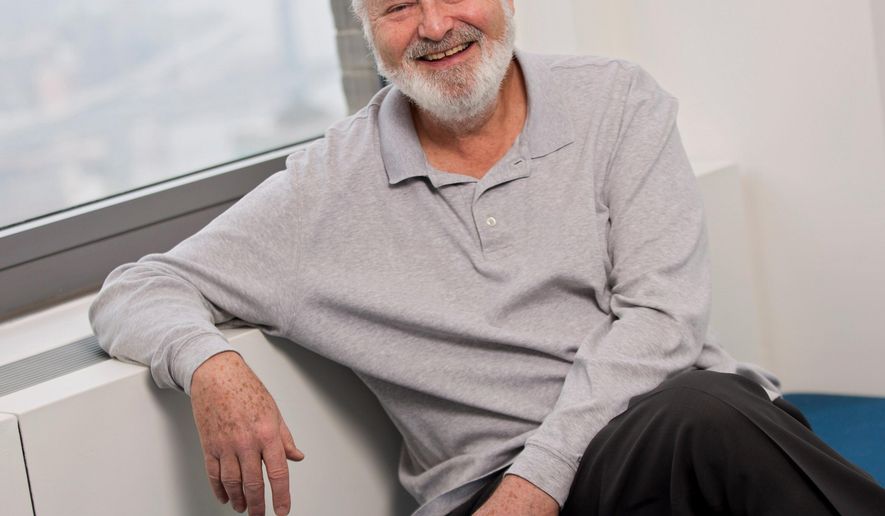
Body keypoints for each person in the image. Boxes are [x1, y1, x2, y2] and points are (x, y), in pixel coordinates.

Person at [89, 1, 885, 515]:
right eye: (398, 7)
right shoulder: (324, 189)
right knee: (715, 421)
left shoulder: (616, 101)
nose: (433, 26)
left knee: (705, 408)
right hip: (486, 493)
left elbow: (662, 319)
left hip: (657, 439)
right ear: (369, 31)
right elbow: (136, 288)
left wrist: (537, 479)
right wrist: (210, 364)